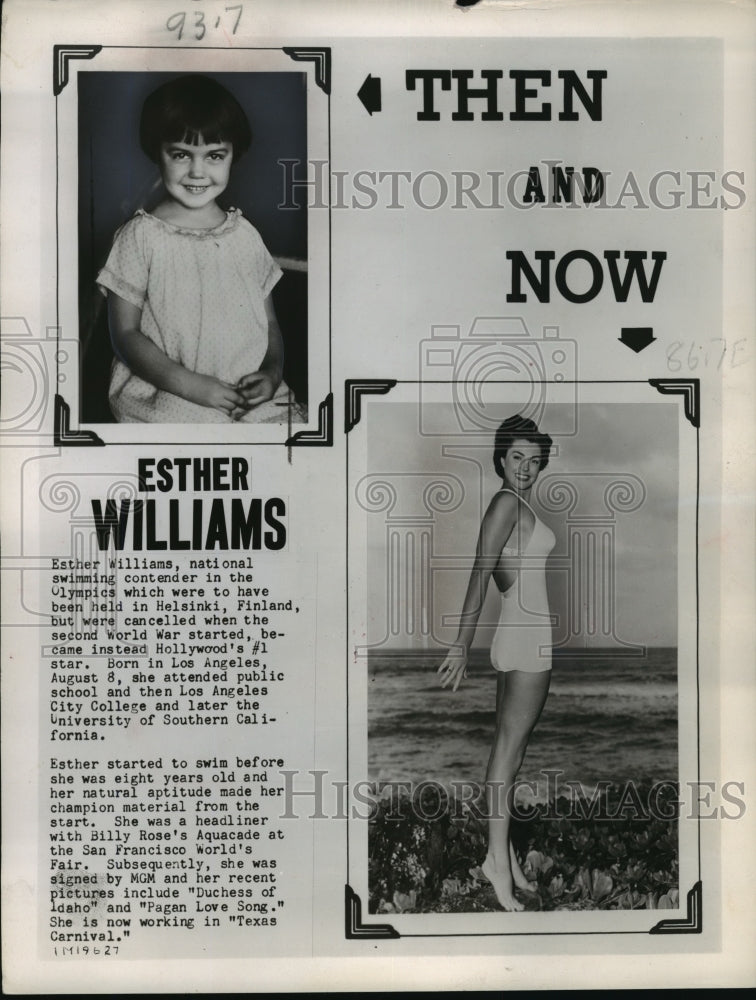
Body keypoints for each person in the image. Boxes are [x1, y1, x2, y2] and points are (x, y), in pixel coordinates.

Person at [97, 74, 301, 424]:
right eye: (180, 154)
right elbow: (125, 336)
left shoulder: (245, 235)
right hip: (171, 392)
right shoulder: (140, 236)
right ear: (156, 152)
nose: (197, 171)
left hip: (248, 395)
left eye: (214, 155)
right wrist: (193, 387)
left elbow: (268, 323)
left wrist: (272, 372)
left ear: (233, 155)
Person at [437, 414, 555, 911]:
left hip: (524, 636)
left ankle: (500, 854)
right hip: (525, 639)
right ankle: (498, 869)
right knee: (507, 756)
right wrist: (460, 643)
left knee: (512, 751)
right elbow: (480, 570)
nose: (526, 467)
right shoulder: (507, 502)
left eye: (533, 459)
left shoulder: (518, 502)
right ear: (501, 459)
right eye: (516, 457)